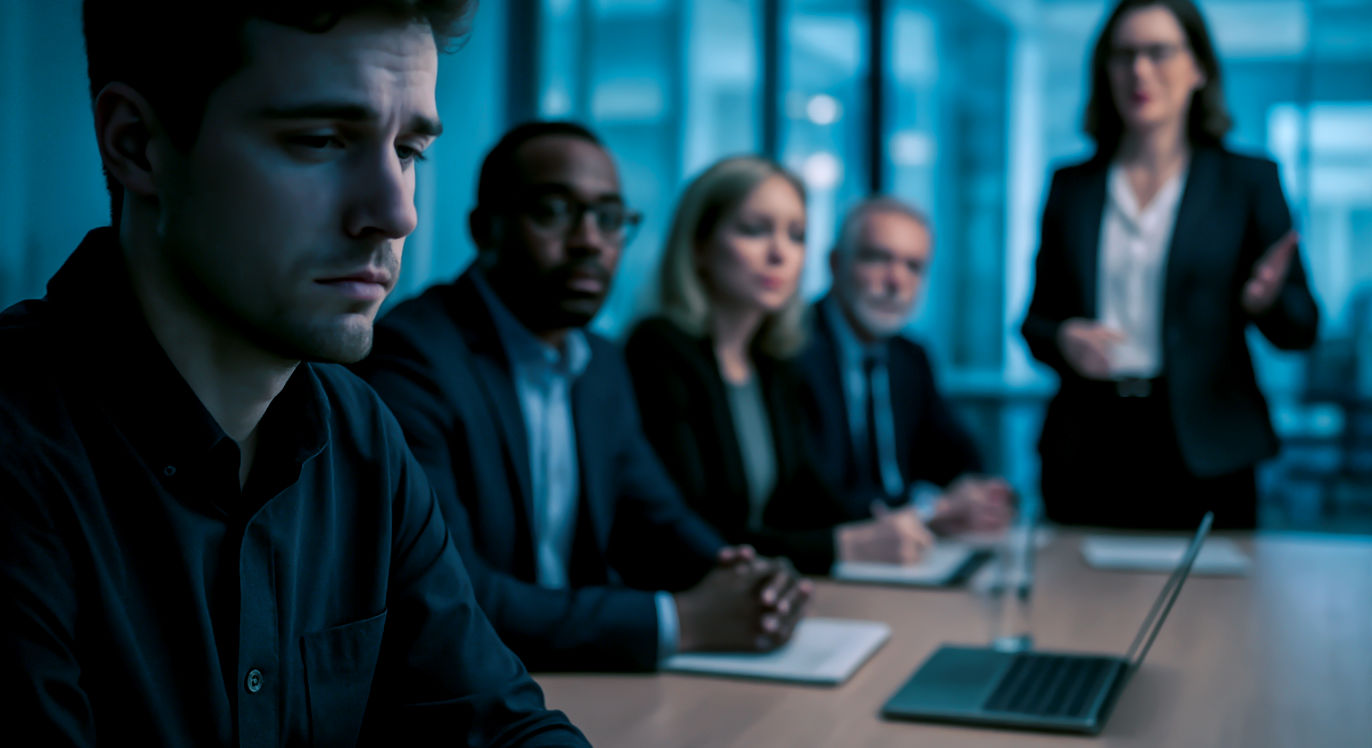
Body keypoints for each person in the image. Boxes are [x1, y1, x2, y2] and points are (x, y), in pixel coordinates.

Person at [0, 2, 590, 745]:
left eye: (408, 150)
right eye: (320, 140)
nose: (396, 211)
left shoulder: (360, 433)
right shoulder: (21, 452)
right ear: (138, 144)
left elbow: (494, 726)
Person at [356, 122, 810, 673]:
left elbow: (657, 519)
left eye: (610, 219)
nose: (590, 241)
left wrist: (746, 577)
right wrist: (682, 621)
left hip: (570, 678)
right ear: (486, 230)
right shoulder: (414, 357)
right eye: (553, 211)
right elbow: (452, 596)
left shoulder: (600, 363)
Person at [1021, 0, 1320, 529]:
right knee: (1076, 609)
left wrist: (1266, 303)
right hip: (1089, 442)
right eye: (1124, 55)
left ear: (1197, 67)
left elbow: (1301, 330)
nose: (1139, 71)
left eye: (1159, 53)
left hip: (1208, 447)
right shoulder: (1072, 187)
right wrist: (1064, 338)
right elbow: (1035, 321)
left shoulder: (1247, 182)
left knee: (1212, 609)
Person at [625, 157, 933, 575]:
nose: (779, 254)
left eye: (796, 235)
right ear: (698, 245)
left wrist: (890, 524)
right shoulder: (659, 350)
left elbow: (806, 497)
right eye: (754, 230)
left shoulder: (771, 358)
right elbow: (692, 534)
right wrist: (842, 545)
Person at [798, 197, 1014, 537]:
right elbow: (813, 494)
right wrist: (928, 511)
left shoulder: (910, 357)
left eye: (914, 266)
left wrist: (976, 495)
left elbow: (956, 456)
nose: (896, 281)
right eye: (877, 258)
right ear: (835, 263)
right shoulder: (792, 348)